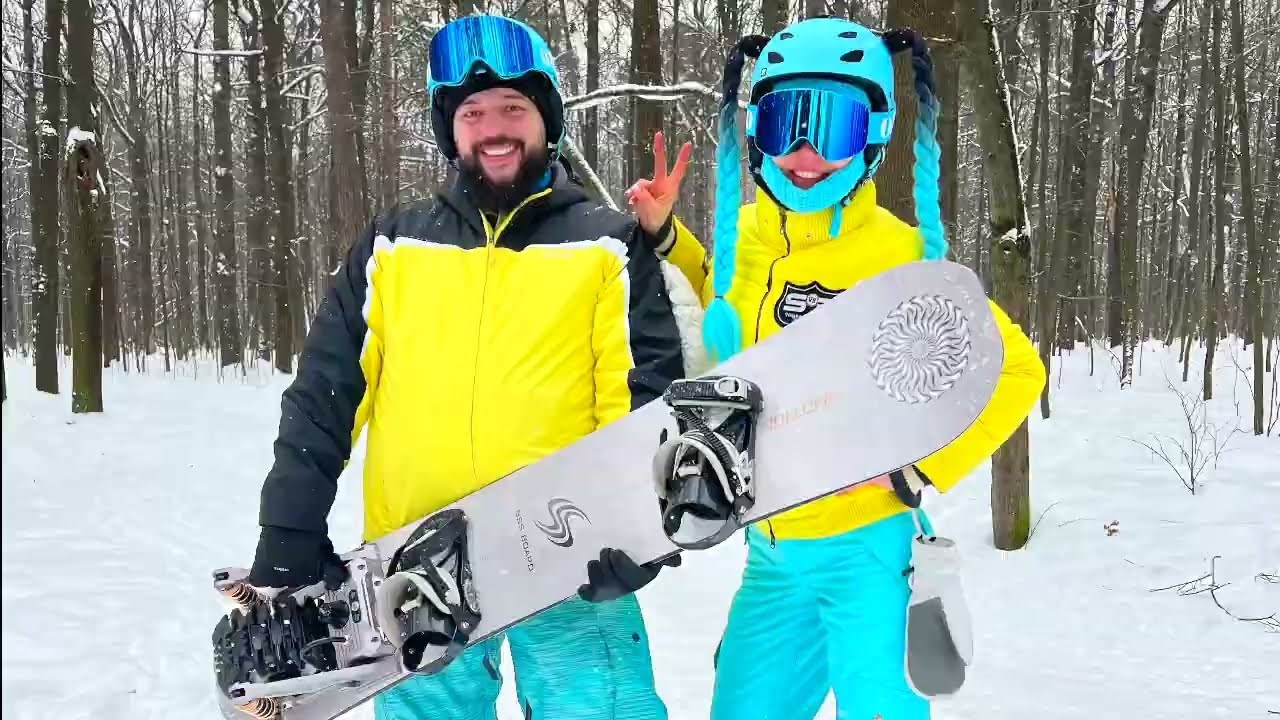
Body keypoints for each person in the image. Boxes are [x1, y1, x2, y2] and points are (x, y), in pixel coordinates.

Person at [243, 14, 688, 720]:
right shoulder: (391, 245)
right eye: (474, 112)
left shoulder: (606, 245)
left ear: (547, 119)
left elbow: (645, 395)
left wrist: (641, 527)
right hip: (419, 573)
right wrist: (290, 531)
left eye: (514, 107)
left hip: (570, 557)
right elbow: (324, 394)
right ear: (451, 129)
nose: (495, 127)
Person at [620, 17, 1047, 720]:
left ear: (874, 134)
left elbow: (1016, 371)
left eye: (834, 126)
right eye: (788, 121)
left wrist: (920, 471)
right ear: (757, 131)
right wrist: (667, 234)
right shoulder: (745, 236)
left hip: (868, 556)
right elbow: (721, 306)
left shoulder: (899, 255)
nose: (806, 152)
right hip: (772, 552)